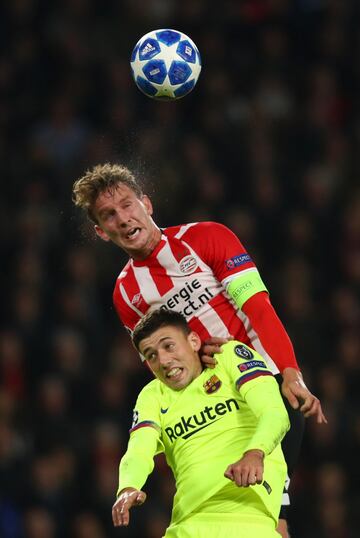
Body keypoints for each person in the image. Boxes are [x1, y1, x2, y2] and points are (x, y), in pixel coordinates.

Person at [72, 162, 327, 538]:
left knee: (274, 519)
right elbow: (160, 363)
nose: (123, 219)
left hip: (263, 388)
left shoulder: (207, 238)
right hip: (214, 412)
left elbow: (257, 308)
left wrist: (290, 372)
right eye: (109, 215)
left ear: (147, 203)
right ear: (101, 231)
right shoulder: (126, 294)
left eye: (127, 205)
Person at [112, 308, 290, 537]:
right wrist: (128, 486)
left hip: (250, 522)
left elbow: (275, 412)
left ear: (194, 340)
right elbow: (139, 448)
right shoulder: (152, 395)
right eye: (151, 355)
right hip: (186, 527)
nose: (163, 360)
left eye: (169, 346)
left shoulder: (228, 356)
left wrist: (255, 453)